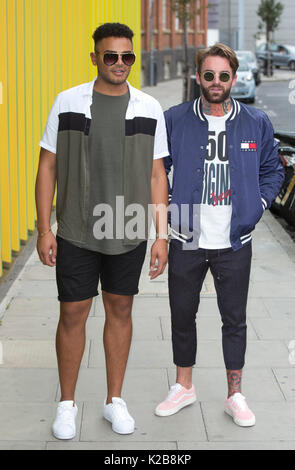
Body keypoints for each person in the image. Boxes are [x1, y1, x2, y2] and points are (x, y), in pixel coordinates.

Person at [35, 22, 168, 439]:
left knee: (120, 310)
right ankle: (67, 404)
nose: (119, 64)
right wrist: (44, 228)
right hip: (75, 229)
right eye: (110, 56)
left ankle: (114, 401)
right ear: (94, 57)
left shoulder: (149, 107)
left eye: (127, 57)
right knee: (72, 312)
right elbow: (47, 167)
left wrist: (161, 235)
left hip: (127, 230)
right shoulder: (67, 101)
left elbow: (156, 175)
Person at [155, 43, 284, 426]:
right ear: (198, 77)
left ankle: (235, 394)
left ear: (233, 78)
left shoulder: (255, 121)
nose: (216, 82)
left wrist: (256, 207)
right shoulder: (174, 119)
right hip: (186, 236)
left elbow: (272, 171)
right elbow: (157, 175)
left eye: (223, 76)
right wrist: (161, 232)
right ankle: (184, 386)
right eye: (208, 75)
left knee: (235, 319)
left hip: (234, 241)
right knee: (182, 314)